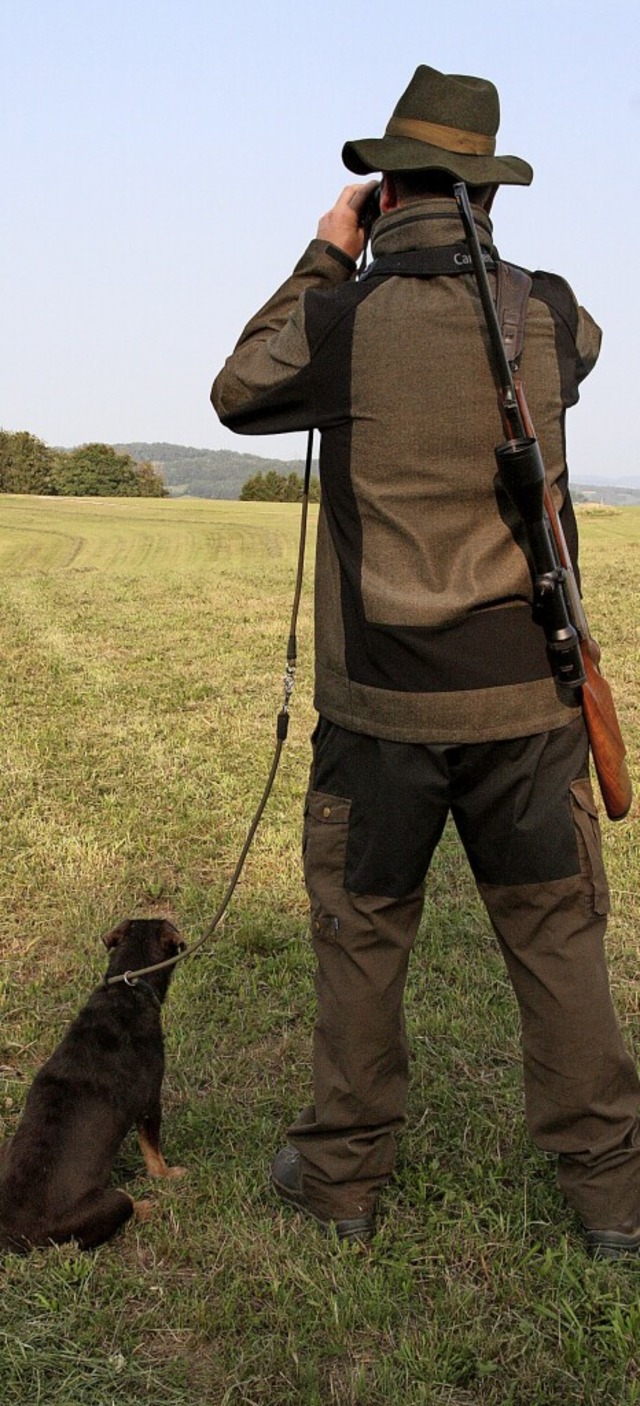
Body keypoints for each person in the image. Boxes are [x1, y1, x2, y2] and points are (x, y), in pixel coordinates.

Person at [211, 65, 640, 1257]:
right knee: (558, 942)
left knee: (363, 936)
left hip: (379, 712)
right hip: (528, 701)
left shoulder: (340, 321)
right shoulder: (547, 312)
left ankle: (342, 1176)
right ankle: (612, 1196)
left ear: (383, 185)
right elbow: (582, 349)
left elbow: (240, 390)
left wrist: (324, 254)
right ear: (484, 191)